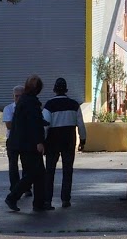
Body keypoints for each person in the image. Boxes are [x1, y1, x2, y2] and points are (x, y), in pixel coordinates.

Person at [5, 75, 53, 212]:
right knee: (34, 173)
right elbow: (33, 124)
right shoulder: (31, 102)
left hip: (22, 143)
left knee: (38, 174)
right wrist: (39, 142)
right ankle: (13, 197)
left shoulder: (24, 100)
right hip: (29, 144)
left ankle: (38, 203)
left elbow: (29, 120)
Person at [41, 77, 88, 208]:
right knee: (68, 170)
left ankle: (47, 200)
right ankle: (65, 199)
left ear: (54, 90)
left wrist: (42, 142)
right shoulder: (74, 105)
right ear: (66, 90)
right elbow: (81, 125)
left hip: (52, 141)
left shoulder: (49, 105)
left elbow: (45, 126)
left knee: (50, 171)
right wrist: (82, 140)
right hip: (69, 140)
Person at [3, 85, 25, 192]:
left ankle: (26, 186)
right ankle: (15, 187)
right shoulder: (8, 109)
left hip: (25, 139)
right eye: (16, 96)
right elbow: (8, 125)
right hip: (12, 139)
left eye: (20, 96)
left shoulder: (28, 109)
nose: (18, 99)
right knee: (13, 165)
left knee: (26, 164)